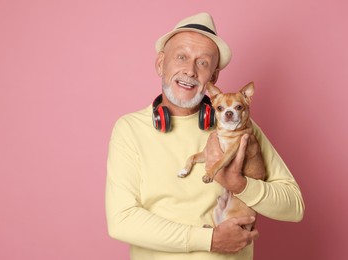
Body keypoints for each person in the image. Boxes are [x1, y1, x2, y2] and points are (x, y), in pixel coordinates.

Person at [105, 12, 304, 260]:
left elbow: (294, 207)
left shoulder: (242, 129)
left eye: (203, 63)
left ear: (213, 78)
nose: (190, 70)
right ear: (160, 64)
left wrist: (239, 185)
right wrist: (210, 240)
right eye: (181, 57)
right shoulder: (130, 129)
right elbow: (121, 221)